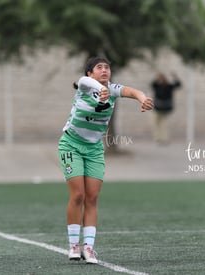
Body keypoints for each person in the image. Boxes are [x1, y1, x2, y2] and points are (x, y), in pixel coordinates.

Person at [58, 56, 154, 264]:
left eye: (107, 67)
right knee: (78, 195)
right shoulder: (85, 85)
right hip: (71, 144)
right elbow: (83, 82)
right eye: (99, 67)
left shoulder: (112, 89)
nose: (104, 70)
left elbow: (131, 91)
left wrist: (142, 98)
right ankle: (74, 245)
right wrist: (99, 89)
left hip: (93, 149)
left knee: (92, 198)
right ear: (90, 73)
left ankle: (89, 248)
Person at [151, 72, 181, 144]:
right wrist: (157, 78)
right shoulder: (157, 85)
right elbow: (152, 84)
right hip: (157, 107)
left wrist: (175, 77)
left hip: (164, 108)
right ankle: (158, 138)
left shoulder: (168, 86)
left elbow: (178, 85)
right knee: (156, 123)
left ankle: (164, 138)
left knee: (164, 124)